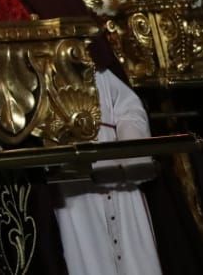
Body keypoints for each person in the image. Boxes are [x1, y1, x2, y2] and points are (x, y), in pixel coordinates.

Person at [53, 70, 163, 274]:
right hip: (74, 185)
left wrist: (127, 154)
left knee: (134, 254)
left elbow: (130, 108)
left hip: (120, 176)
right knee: (86, 253)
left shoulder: (98, 65)